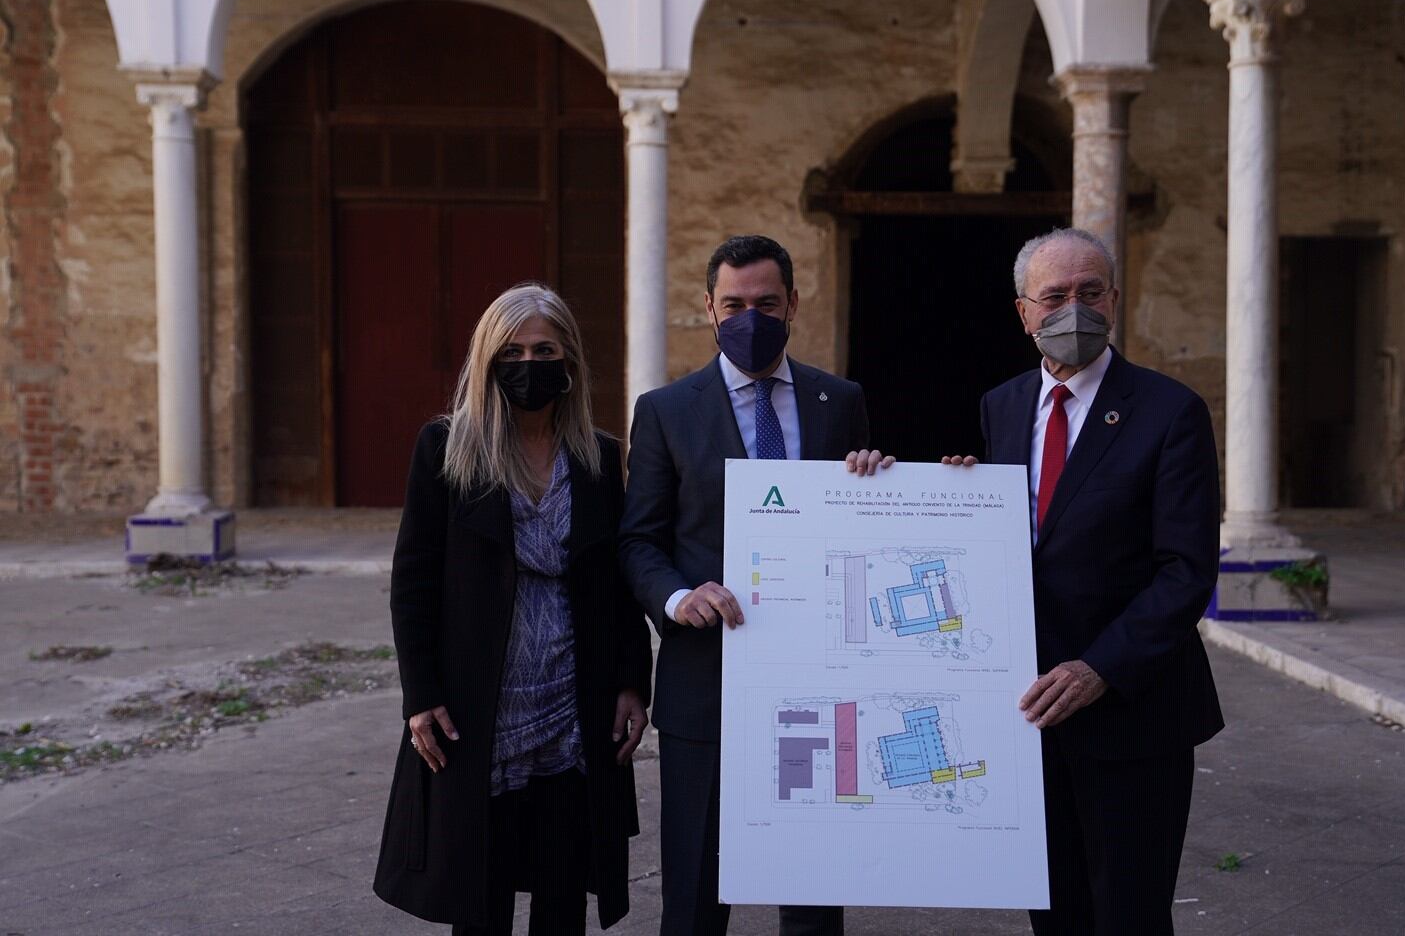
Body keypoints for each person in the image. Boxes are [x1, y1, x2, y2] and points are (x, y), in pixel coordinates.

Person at [945, 227, 1224, 935]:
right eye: (1056, 295)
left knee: (1128, 913)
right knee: (1055, 909)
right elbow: (1017, 543)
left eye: (1090, 292)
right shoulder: (1000, 407)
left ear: (1116, 299)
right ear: (1024, 312)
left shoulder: (1171, 411)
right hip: (1029, 713)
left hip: (1132, 711)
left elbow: (1185, 570)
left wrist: (1101, 667)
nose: (1075, 309)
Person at [619, 235, 889, 936]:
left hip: (819, 691)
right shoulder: (665, 411)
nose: (750, 316)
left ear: (793, 304)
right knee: (695, 903)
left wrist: (875, 483)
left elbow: (863, 535)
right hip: (706, 687)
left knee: (811, 900)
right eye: (734, 303)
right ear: (708, 307)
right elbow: (639, 541)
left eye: (766, 303)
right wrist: (680, 599)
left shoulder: (841, 400)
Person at [373, 283, 653, 935]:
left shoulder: (599, 459)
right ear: (489, 359)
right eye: (515, 351)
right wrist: (421, 694)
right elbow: (412, 580)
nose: (531, 364)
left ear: (570, 361)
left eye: (546, 349)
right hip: (480, 714)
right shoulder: (447, 449)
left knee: (563, 897)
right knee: (479, 897)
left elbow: (619, 583)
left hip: (571, 714)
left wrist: (634, 683)